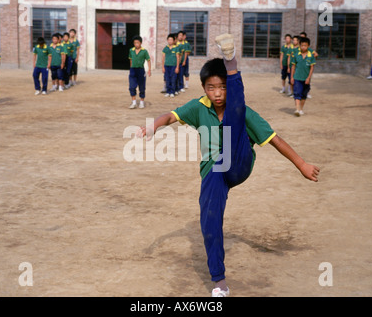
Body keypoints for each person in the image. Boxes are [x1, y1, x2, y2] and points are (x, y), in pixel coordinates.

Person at [137, 34, 320, 297]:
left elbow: (275, 140)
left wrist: (301, 164)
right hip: (215, 172)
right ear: (203, 89)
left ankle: (231, 61)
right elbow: (170, 116)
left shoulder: (241, 109)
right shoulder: (198, 107)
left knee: (237, 111)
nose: (217, 93)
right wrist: (153, 124)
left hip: (240, 163)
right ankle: (219, 281)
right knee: (209, 220)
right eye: (211, 88)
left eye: (223, 87)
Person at [290, 37, 316, 116]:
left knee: (304, 95)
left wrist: (308, 78)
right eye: (302, 45)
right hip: (297, 77)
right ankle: (297, 109)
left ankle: (301, 108)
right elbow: (293, 67)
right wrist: (291, 77)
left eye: (305, 45)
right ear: (299, 46)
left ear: (308, 46)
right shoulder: (296, 55)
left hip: (306, 79)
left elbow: (311, 68)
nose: (303, 47)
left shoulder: (311, 56)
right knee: (297, 93)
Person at [128, 35, 152, 109]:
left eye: (137, 43)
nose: (136, 44)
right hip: (133, 70)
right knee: (132, 87)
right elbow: (130, 59)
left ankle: (141, 102)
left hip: (141, 70)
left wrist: (149, 70)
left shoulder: (144, 51)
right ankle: (134, 102)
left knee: (142, 87)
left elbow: (148, 60)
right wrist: (131, 68)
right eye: (135, 43)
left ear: (141, 43)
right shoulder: (131, 50)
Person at [162, 34, 180, 98]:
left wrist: (177, 67)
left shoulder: (176, 48)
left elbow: (178, 58)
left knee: (173, 79)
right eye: (168, 40)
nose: (170, 41)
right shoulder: (165, 48)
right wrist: (163, 67)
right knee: (167, 79)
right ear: (167, 40)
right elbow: (163, 58)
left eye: (171, 40)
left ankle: (172, 92)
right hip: (166, 66)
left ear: (173, 41)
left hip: (173, 66)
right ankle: (168, 91)